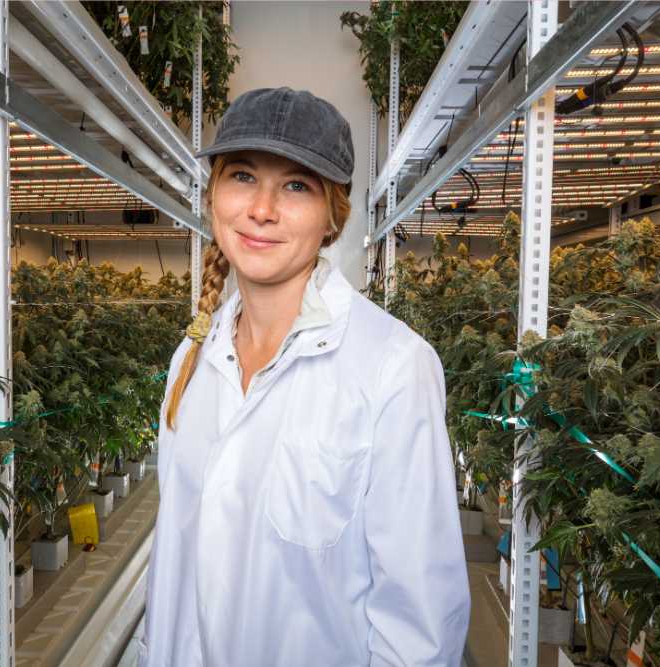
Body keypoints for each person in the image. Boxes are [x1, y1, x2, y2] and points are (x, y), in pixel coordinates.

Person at [138, 87, 470, 666]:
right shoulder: (191, 361)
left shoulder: (392, 367)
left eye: (296, 186)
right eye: (242, 176)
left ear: (332, 217)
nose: (262, 208)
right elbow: (174, 567)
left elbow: (420, 624)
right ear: (214, 194)